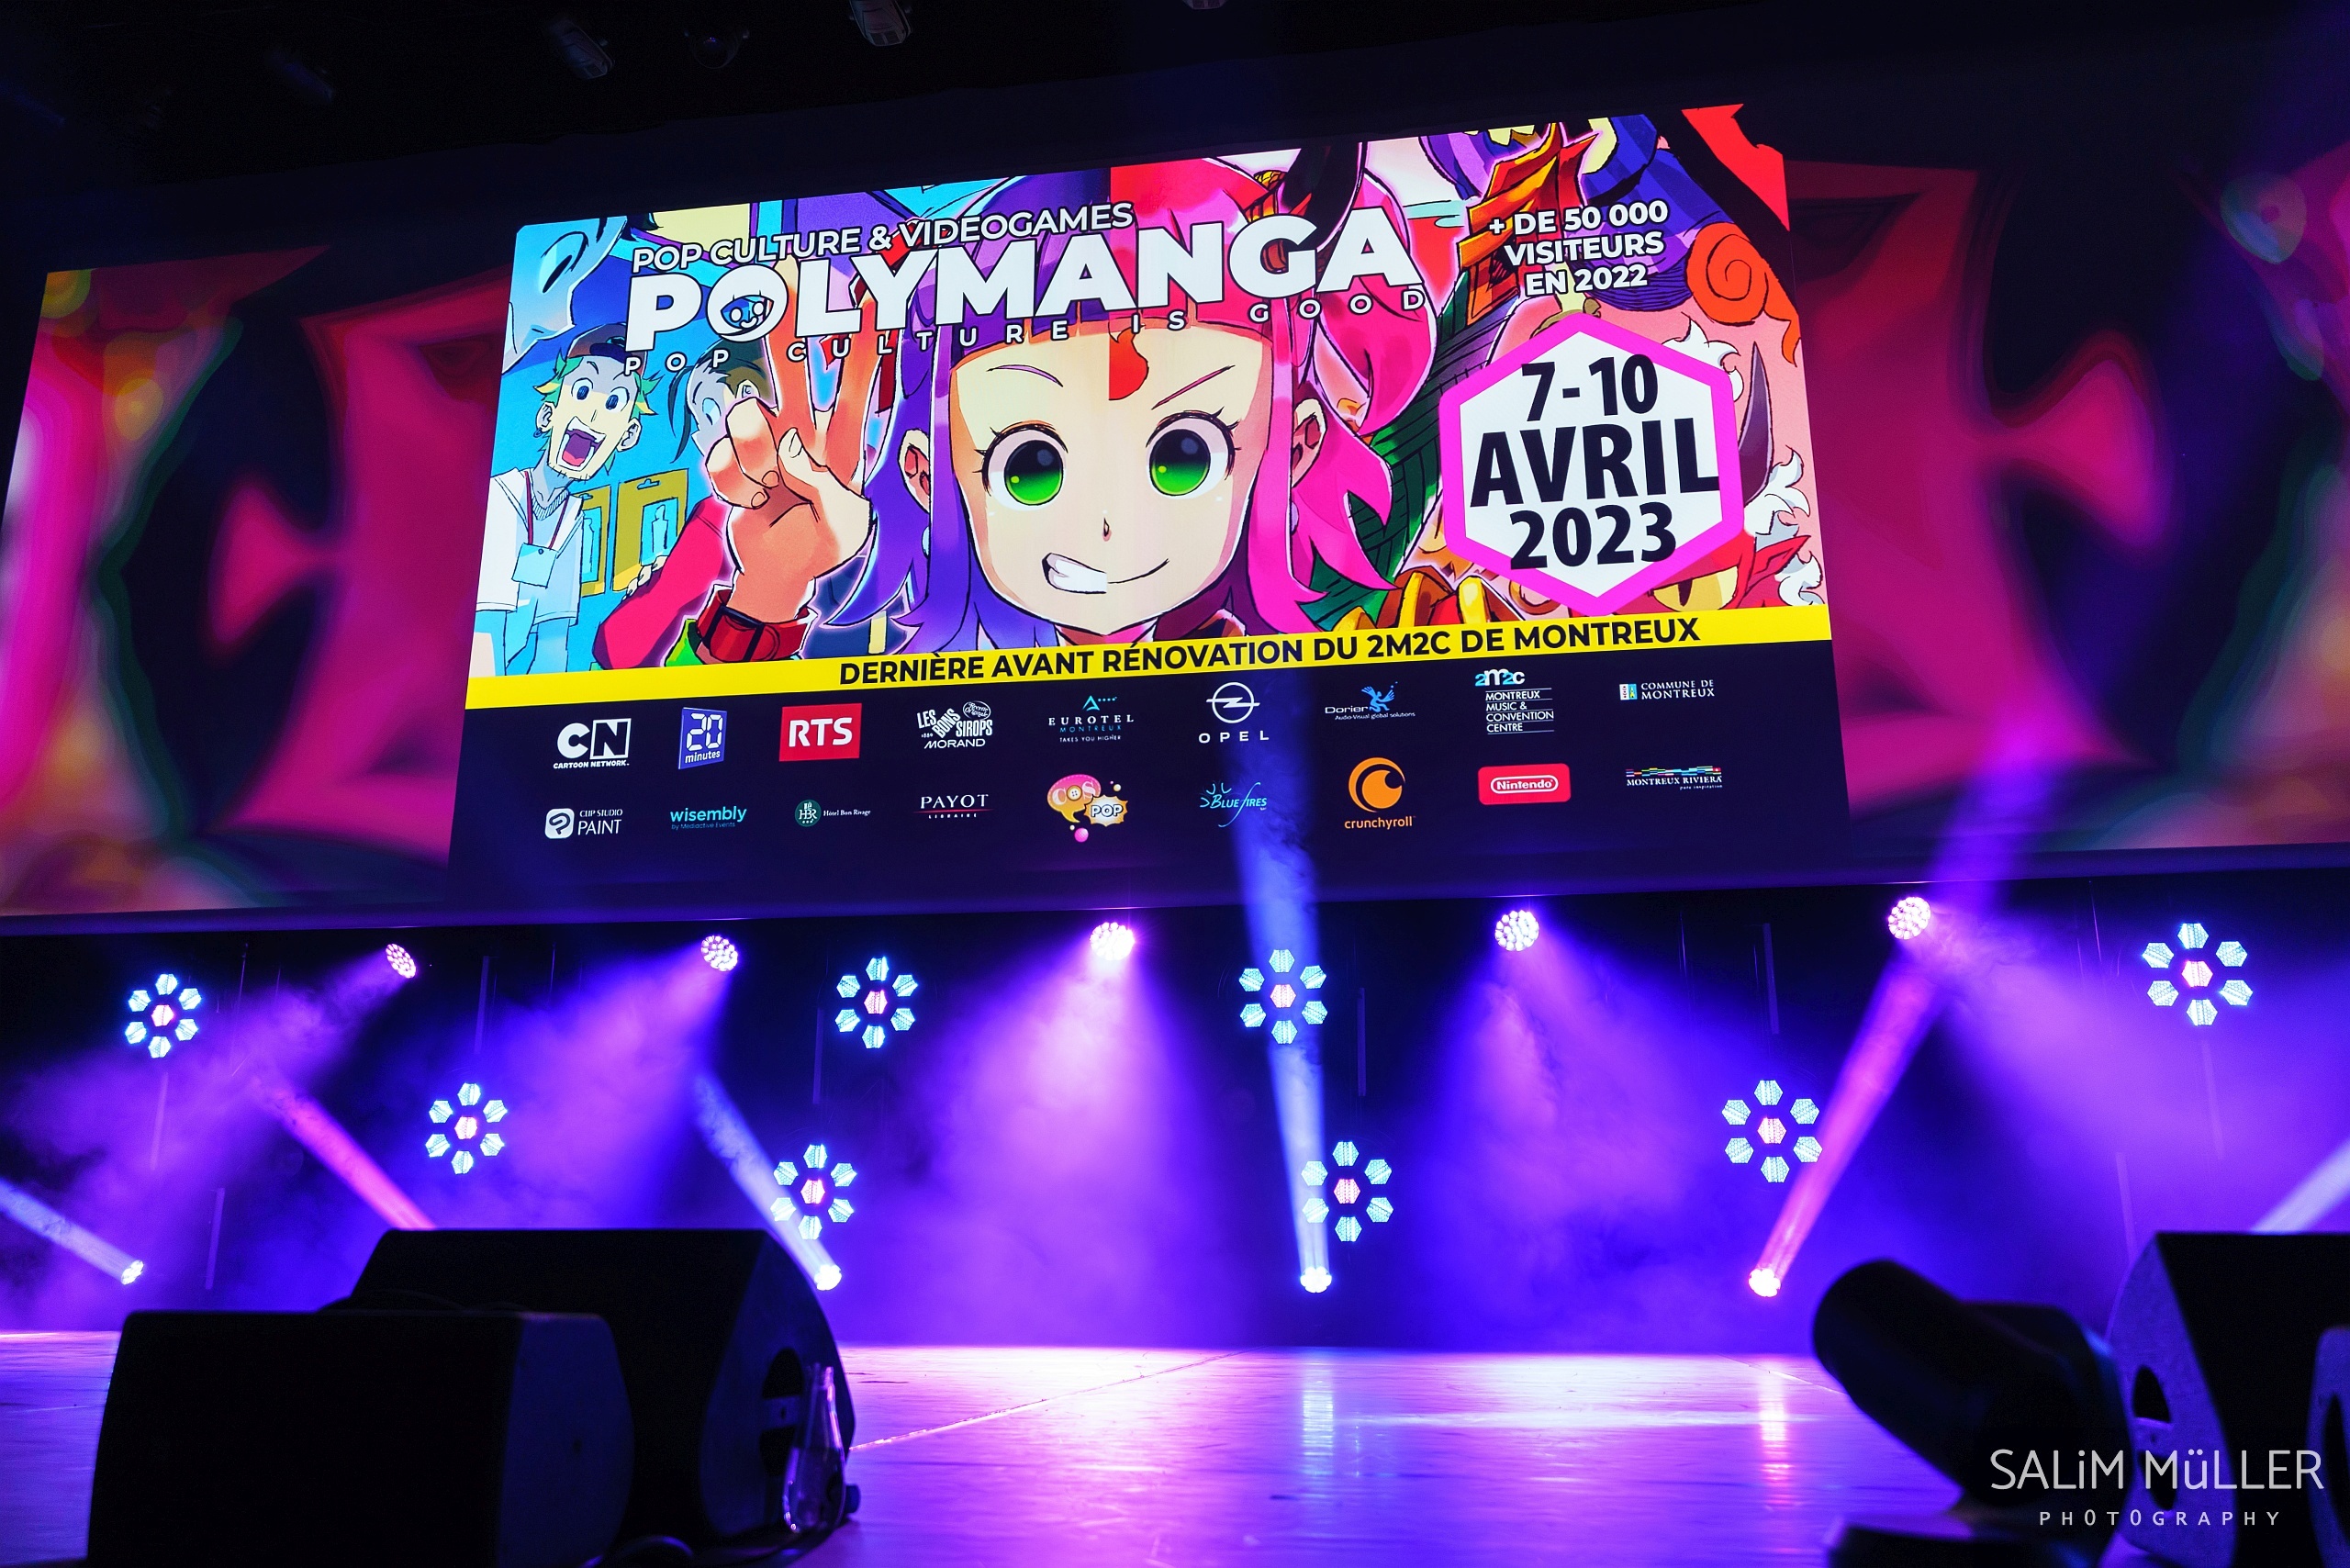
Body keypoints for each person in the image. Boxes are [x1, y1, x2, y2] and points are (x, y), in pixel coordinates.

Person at [697, 154, 1438, 655]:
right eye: (1030, 466)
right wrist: (768, 592)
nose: (1109, 524)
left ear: (1294, 446)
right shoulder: (898, 649)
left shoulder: (1335, 643)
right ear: (927, 473)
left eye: (1184, 456)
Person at [473, 325, 649, 676]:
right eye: (582, 391)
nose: (593, 414)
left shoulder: (571, 517)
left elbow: (553, 644)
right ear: (548, 415)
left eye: (614, 402)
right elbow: (483, 638)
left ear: (628, 436)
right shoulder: (501, 499)